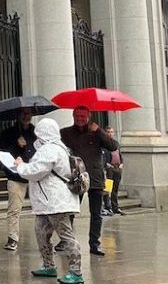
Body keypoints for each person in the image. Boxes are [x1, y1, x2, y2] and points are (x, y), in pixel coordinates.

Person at [15, 118, 83, 284]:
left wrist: (20, 166)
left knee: (66, 236)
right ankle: (48, 266)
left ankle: (76, 272)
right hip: (48, 202)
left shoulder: (50, 150)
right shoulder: (57, 148)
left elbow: (36, 171)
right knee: (41, 233)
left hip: (55, 202)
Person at [59, 106, 116, 256]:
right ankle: (65, 240)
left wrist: (99, 131)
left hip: (95, 178)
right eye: (78, 116)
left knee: (96, 214)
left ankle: (94, 244)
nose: (80, 119)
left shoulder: (96, 132)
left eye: (83, 116)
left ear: (89, 117)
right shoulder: (65, 133)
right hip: (76, 178)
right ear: (73, 116)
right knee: (69, 211)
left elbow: (113, 146)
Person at [0, 108, 37, 251]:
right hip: (16, 176)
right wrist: (16, 145)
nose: (26, 116)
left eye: (29, 114)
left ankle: (45, 239)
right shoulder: (8, 133)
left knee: (42, 210)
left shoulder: (36, 133)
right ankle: (12, 238)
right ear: (18, 115)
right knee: (14, 209)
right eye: (23, 114)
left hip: (34, 176)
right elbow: (1, 151)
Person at [102, 125, 124, 216]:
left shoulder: (116, 143)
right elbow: (102, 156)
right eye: (108, 132)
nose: (110, 134)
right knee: (108, 188)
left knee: (115, 188)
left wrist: (122, 163)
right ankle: (107, 207)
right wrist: (106, 165)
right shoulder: (103, 144)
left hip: (117, 168)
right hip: (109, 169)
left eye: (111, 132)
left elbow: (119, 154)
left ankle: (115, 207)